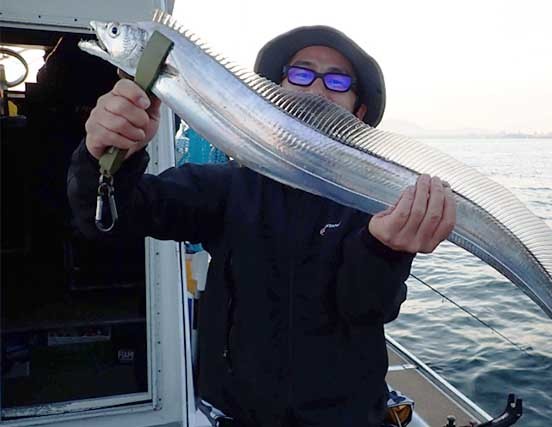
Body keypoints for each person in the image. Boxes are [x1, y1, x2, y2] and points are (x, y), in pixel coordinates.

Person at [68, 25, 456, 427]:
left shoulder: (375, 206)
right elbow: (113, 220)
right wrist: (105, 159)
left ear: (358, 113)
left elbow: (366, 308)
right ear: (274, 93)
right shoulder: (228, 187)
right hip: (237, 415)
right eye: (301, 73)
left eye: (338, 80)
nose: (317, 89)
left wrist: (384, 249)